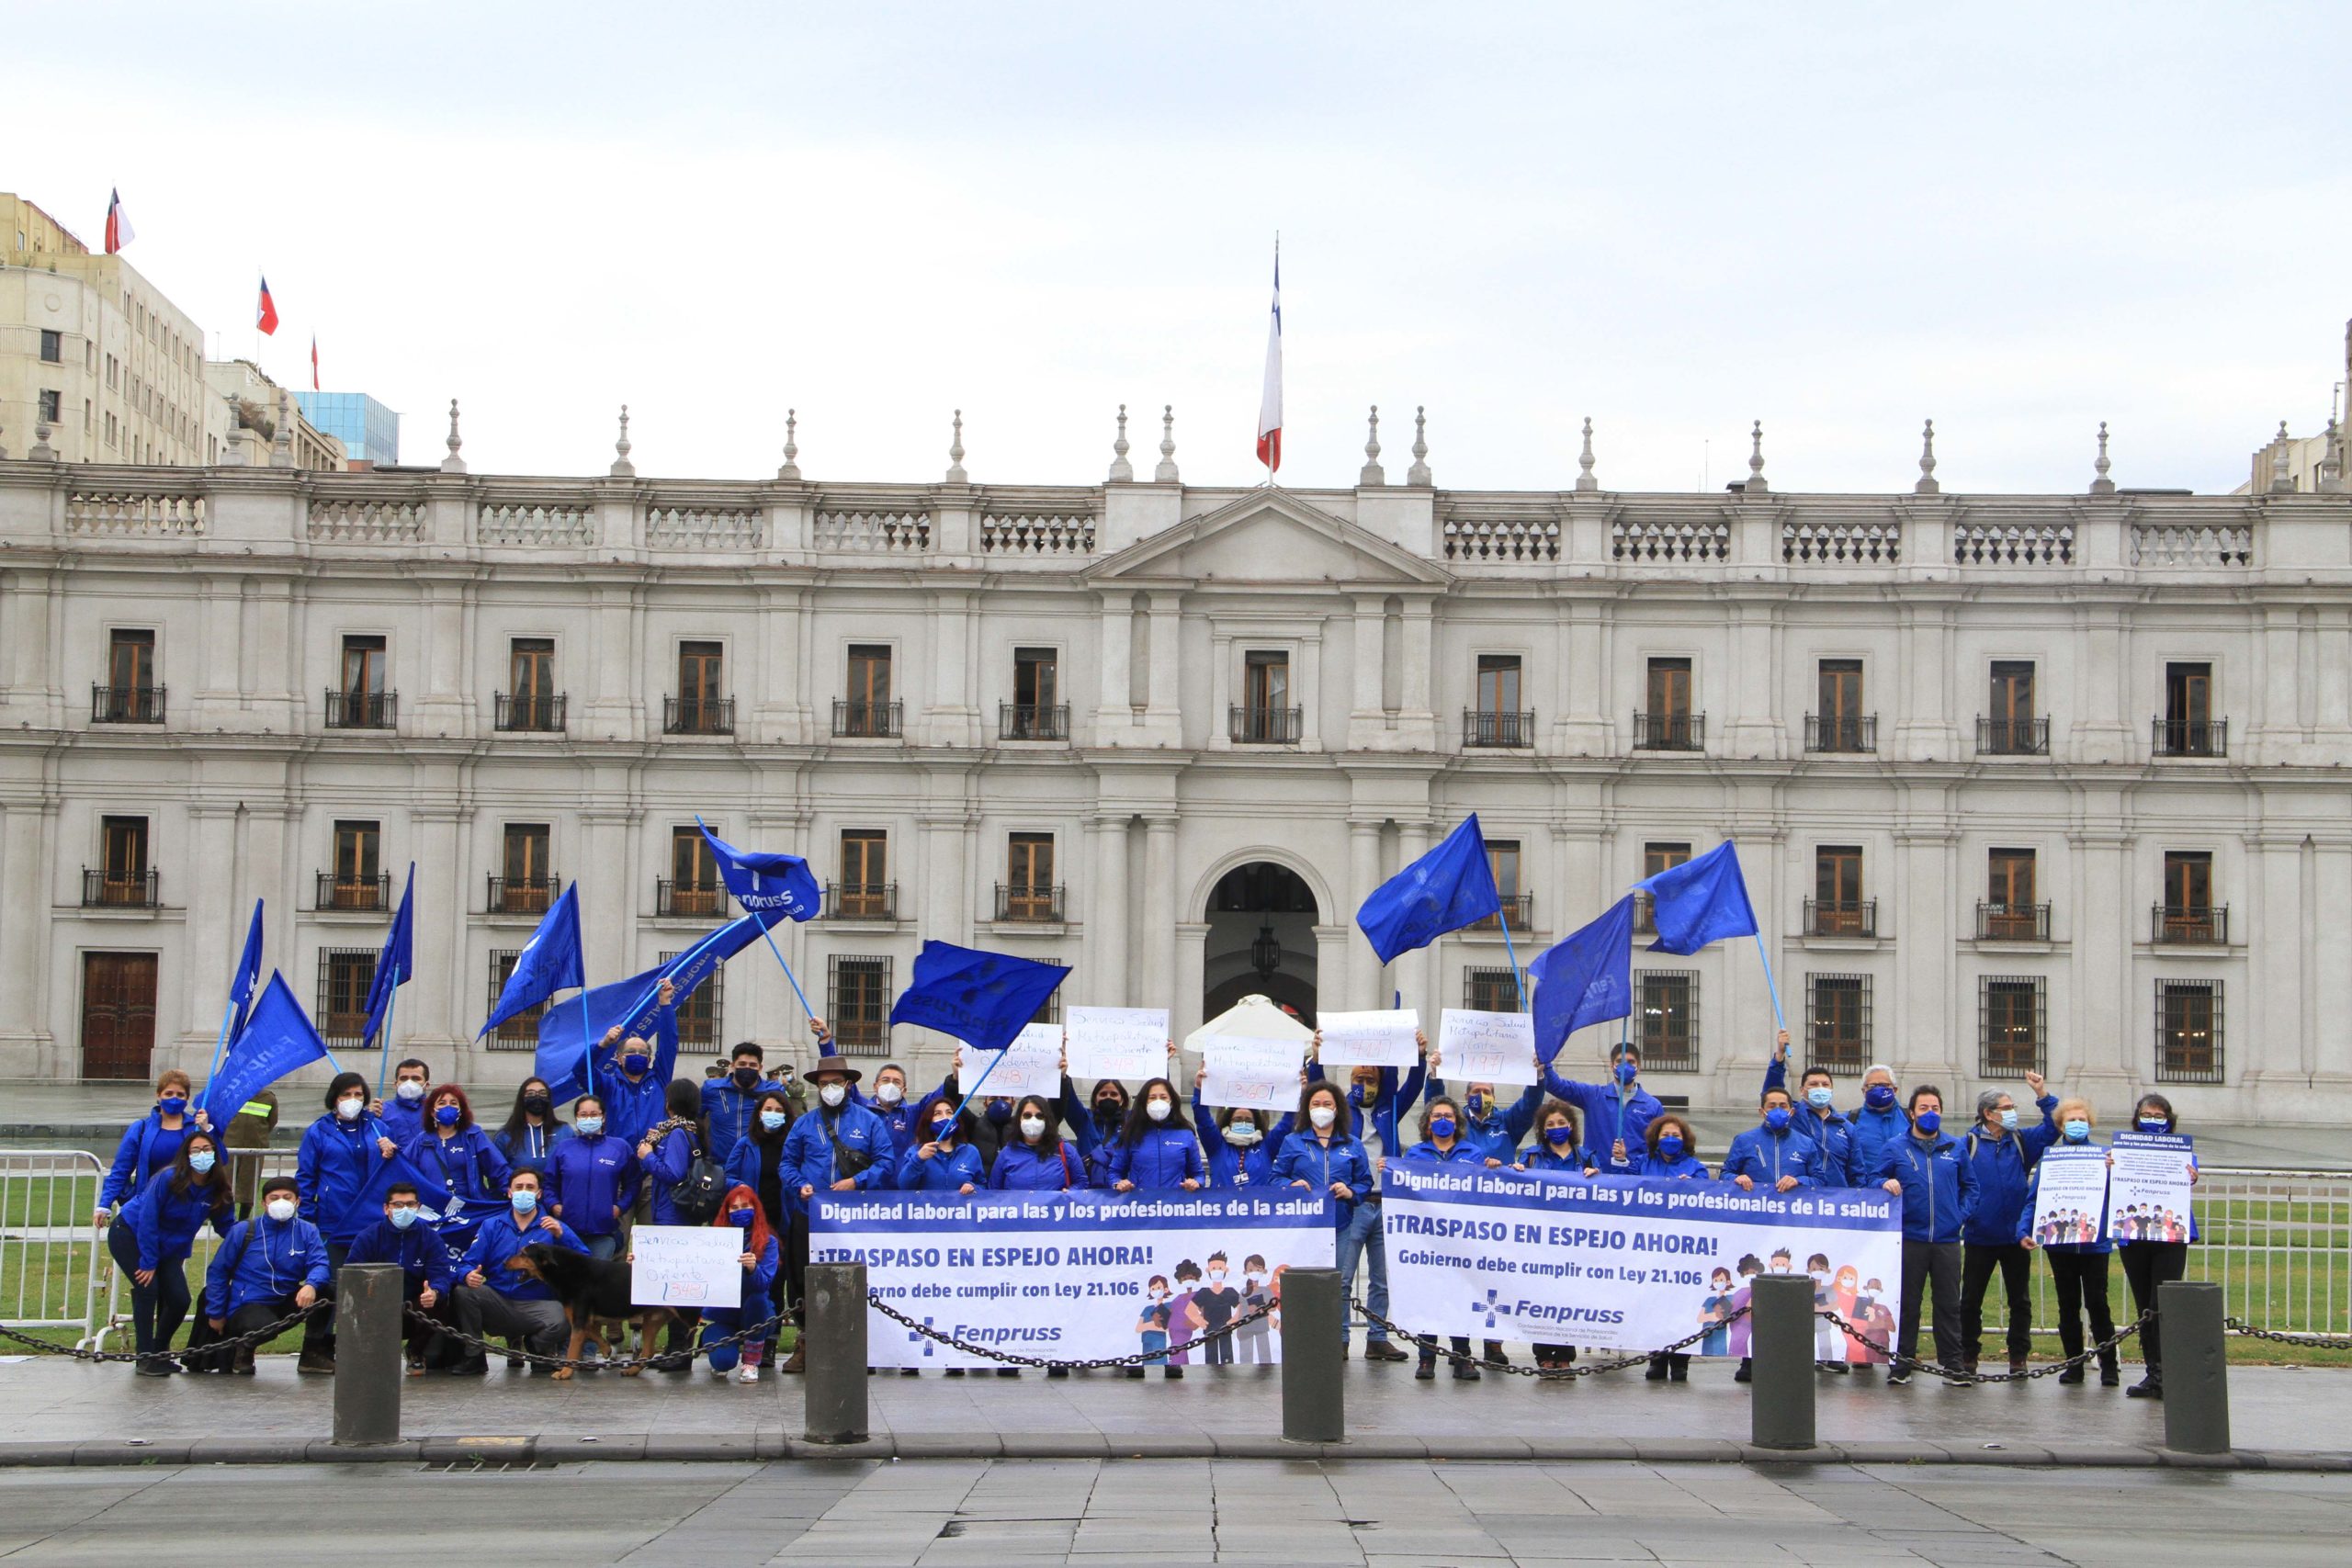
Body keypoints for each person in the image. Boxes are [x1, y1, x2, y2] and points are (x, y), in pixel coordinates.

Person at [776, 1054, 896, 1373]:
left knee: (854, 1278)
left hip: (854, 1218)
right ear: (817, 1086)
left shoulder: (869, 1121)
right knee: (802, 1279)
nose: (830, 1088)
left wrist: (856, 1181)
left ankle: (857, 1345)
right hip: (810, 1214)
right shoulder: (804, 1123)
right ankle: (805, 1342)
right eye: (824, 1083)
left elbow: (886, 1163)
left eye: (836, 1082)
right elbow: (787, 1163)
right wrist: (799, 1184)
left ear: (848, 1084)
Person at [1272, 1079, 1394, 1361]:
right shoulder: (1293, 1142)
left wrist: (1351, 1192)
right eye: (1316, 1104)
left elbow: (1364, 1181)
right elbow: (1275, 1177)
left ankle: (1339, 1339)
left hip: (1341, 1224)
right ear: (1307, 1108)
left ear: (1338, 1109)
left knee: (1339, 1282)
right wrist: (1290, 1186)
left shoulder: (1351, 1145)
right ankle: (1306, 1335)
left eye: (1327, 1104)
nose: (1322, 1109)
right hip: (1304, 1227)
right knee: (1304, 1282)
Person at [296, 1070, 401, 1367]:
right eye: (346, 1095)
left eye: (358, 1095)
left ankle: (364, 1347)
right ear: (335, 1099)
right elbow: (306, 1177)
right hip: (333, 1221)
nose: (352, 1101)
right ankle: (315, 1347)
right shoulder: (319, 1132)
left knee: (370, 1286)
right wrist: (308, 1220)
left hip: (370, 1223)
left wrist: (390, 1152)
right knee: (328, 1284)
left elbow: (394, 1171)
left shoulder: (378, 1129)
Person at [1957, 1074, 2060, 1375]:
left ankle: (2018, 1356)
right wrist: (1968, 1214)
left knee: (2020, 1300)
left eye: (2013, 1106)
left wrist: (2042, 1093)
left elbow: (2053, 1126)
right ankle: (1968, 1355)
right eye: (2006, 1107)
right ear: (1988, 1114)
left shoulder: (2021, 1140)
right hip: (1980, 1234)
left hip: (2016, 1235)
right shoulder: (1968, 1144)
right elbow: (1960, 1183)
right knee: (1971, 1300)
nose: (2012, 1111)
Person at [108, 1129, 232, 1374]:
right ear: (186, 1155)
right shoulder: (168, 1178)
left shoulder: (218, 1187)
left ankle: (159, 1351)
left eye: (207, 1150)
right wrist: (148, 1261)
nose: (202, 1155)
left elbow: (227, 1225)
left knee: (179, 1299)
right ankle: (145, 1357)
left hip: (169, 1248)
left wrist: (251, 1238)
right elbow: (148, 1219)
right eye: (195, 1150)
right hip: (131, 1234)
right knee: (148, 1288)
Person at [1877, 1086, 1976, 1386]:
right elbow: (1873, 1178)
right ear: (1912, 1113)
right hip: (1910, 1238)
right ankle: (1902, 1362)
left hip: (1946, 1239)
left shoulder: (1955, 1147)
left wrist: (1960, 1216)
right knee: (1908, 1303)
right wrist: (1885, 1183)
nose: (1930, 1114)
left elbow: (1970, 1187)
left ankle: (1952, 1364)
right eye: (1924, 1108)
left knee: (1948, 1304)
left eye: (1935, 1108)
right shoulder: (1895, 1147)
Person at [2018, 1098, 2119, 1387]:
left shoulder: (2103, 1156)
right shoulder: (2050, 1158)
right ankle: (2074, 1364)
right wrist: (2025, 1230)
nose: (2077, 1124)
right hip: (2060, 1244)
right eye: (2071, 1120)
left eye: (2082, 1119)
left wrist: (2112, 1172)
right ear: (2061, 1125)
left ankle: (2108, 1364)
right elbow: (2034, 1199)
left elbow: (2117, 1197)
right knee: (2067, 1305)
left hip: (2094, 1243)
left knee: (2099, 1304)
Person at [448, 1168, 589, 1372]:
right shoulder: (491, 1226)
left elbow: (584, 1262)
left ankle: (538, 1347)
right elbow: (467, 1263)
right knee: (464, 1293)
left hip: (539, 1302)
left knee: (564, 1318)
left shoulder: (554, 1227)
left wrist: (561, 1236)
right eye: (519, 1187)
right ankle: (474, 1355)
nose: (524, 1192)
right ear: (509, 1192)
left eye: (530, 1188)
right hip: (498, 1300)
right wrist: (467, 1275)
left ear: (539, 1194)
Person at [198, 1174, 334, 1376]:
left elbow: (320, 1263)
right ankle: (243, 1352)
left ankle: (312, 1352)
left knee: (329, 1291)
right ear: (264, 1203)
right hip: (247, 1303)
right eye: (274, 1197)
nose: (281, 1202)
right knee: (263, 1325)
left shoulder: (307, 1231)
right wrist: (216, 1313)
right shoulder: (244, 1230)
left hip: (285, 1297)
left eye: (287, 1197)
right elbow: (218, 1271)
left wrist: (311, 1285)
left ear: (297, 1201)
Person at [2116, 1093, 2199, 1399]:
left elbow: (2190, 1176)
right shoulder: (2123, 1150)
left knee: (2162, 1302)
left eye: (2158, 1115)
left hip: (2169, 1236)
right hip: (2135, 1235)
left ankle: (2168, 1371)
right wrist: (2110, 1167)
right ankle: (2154, 1372)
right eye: (2147, 1115)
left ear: (2168, 1118)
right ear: (2137, 1118)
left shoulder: (2180, 1150)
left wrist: (2191, 1175)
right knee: (2145, 1307)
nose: (2152, 1120)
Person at [1397, 1095, 1486, 1380]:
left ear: (1458, 1122)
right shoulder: (1414, 1155)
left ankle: (1462, 1356)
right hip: (1427, 1238)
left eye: (1449, 1116)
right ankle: (1426, 1358)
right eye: (1437, 1116)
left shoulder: (1472, 1153)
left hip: (1462, 1236)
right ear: (1427, 1123)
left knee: (1460, 1294)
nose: (1443, 1121)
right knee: (1429, 1295)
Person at [345, 1179, 458, 1375]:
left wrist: (435, 1291)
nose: (404, 1209)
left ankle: (416, 1350)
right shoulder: (369, 1236)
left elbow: (441, 1274)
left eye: (410, 1204)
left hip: (414, 1306)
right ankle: (373, 1352)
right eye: (398, 1205)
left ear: (418, 1207)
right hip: (377, 1304)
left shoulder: (430, 1238)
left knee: (440, 1301)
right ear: (386, 1208)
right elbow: (352, 1273)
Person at [1516, 1101, 1595, 1374]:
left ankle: (1565, 1353)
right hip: (1540, 1238)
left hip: (1575, 1239)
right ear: (1542, 1129)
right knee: (1541, 1295)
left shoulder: (1585, 1157)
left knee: (1569, 1296)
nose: (1557, 1128)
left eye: (1561, 1123)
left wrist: (1597, 1176)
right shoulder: (1532, 1156)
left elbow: (1605, 1191)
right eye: (1550, 1124)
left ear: (1571, 1125)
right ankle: (1543, 1353)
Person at [1636, 1115, 1711, 1381]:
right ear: (1656, 1138)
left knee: (1681, 1304)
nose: (1670, 1139)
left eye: (1676, 1136)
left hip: (1683, 1247)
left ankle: (1680, 1360)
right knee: (1653, 1301)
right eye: (1665, 1135)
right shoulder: (1643, 1164)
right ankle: (1656, 1357)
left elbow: (1705, 1196)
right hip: (1651, 1244)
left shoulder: (1695, 1167)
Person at [690, 1184, 781, 1383]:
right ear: (727, 1211)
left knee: (758, 1300)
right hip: (722, 1315)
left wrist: (753, 1269)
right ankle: (711, 1337)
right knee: (723, 1363)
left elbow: (764, 1284)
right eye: (735, 1207)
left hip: (756, 1313)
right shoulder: (711, 1240)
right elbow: (682, 1266)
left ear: (756, 1209)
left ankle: (751, 1361)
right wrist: (641, 1261)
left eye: (746, 1206)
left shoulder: (769, 1242)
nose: (741, 1211)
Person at [97, 1068, 210, 1227]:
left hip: (183, 1209)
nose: (174, 1099)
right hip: (146, 1207)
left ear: (187, 1098)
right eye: (169, 1093)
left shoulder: (196, 1129)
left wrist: (208, 1131)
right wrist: (104, 1204)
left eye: (180, 1095)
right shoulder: (141, 1128)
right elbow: (121, 1169)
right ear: (158, 1095)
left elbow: (219, 1162)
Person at [404, 1083, 510, 1247]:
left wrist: (513, 1192)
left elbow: (498, 1169)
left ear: (461, 1110)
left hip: (470, 1210)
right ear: (432, 1111)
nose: (448, 1106)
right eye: (442, 1103)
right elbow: (404, 1171)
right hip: (434, 1212)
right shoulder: (421, 1141)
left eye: (453, 1103)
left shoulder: (474, 1136)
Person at [544, 1092, 641, 1262]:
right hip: (568, 1231)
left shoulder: (619, 1147)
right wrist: (554, 1205)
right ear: (576, 1117)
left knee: (597, 1282)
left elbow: (633, 1183)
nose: (589, 1118)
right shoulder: (564, 1148)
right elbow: (549, 1183)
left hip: (604, 1233)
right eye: (584, 1114)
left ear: (603, 1117)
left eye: (594, 1114)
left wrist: (620, 1207)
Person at [1540, 1040, 1664, 1174]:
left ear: (1638, 1067)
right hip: (1596, 1177)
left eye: (1631, 1062)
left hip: (1634, 1181)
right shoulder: (1593, 1096)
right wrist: (1544, 1063)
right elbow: (1558, 1086)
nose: (1625, 1066)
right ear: (1612, 1066)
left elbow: (1659, 1149)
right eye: (1620, 1061)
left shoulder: (1653, 1106)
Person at [592, 978, 681, 1153]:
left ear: (649, 1060)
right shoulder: (608, 1084)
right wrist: (603, 1044)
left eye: (643, 1053)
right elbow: (581, 1070)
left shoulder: (659, 1079)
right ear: (619, 1058)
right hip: (617, 1158)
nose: (637, 1055)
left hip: (653, 1157)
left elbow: (669, 1044)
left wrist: (665, 1002)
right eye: (631, 1052)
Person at [1761, 1030, 1860, 1187]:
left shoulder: (1846, 1127)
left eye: (1825, 1084)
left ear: (1831, 1089)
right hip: (1799, 1197)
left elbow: (1857, 1172)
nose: (1820, 1088)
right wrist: (1779, 1057)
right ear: (1802, 1090)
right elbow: (1772, 1092)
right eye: (1813, 1084)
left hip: (1836, 1200)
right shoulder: (1793, 1115)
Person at [1193, 1066, 1295, 1188]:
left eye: (1248, 1120)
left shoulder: (1266, 1146)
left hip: (1260, 1205)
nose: (1243, 1123)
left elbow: (1287, 1124)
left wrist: (1297, 1093)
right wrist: (1199, 1090)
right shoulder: (1217, 1145)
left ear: (1255, 1123)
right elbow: (1203, 1119)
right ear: (1229, 1122)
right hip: (1222, 1205)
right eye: (1238, 1119)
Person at [1107, 1075, 1206, 1192]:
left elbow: (1198, 1174)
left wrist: (1196, 1183)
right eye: (1152, 1097)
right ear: (1144, 1102)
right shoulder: (1131, 1133)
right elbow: (1114, 1172)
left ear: (1171, 1101)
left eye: (1163, 1097)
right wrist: (1118, 1183)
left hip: (1176, 1206)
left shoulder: (1186, 1134)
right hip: (1140, 1205)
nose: (1158, 1101)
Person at [1723, 1086, 1826, 1194]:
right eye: (1772, 1106)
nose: (1778, 1110)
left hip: (1793, 1207)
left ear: (1791, 1112)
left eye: (1783, 1106)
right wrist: (1736, 1178)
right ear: (1762, 1112)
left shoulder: (1806, 1143)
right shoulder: (1743, 1141)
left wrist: (1798, 1181)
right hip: (1756, 1206)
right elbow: (1725, 1174)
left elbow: (1819, 1180)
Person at [703, 1040, 788, 1167]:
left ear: (760, 1068)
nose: (747, 1068)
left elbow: (787, 1126)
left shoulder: (773, 1091)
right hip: (719, 1166)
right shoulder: (712, 1088)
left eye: (752, 1065)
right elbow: (696, 1120)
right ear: (733, 1065)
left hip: (757, 1166)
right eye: (742, 1064)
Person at [986, 1093, 1090, 1190]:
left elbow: (1082, 1182)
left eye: (1039, 1116)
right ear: (1019, 1119)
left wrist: (1069, 1193)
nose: (1033, 1120)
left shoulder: (1066, 1150)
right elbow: (994, 1192)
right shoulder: (1006, 1154)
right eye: (1027, 1115)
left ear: (1047, 1120)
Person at [897, 1100, 984, 1193]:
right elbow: (904, 1186)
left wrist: (973, 1187)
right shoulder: (915, 1151)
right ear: (928, 1120)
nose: (945, 1117)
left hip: (960, 1207)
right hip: (925, 1207)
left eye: (949, 1112)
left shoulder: (970, 1151)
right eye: (937, 1114)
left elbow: (982, 1185)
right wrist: (918, 1160)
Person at [492, 1077, 573, 1176]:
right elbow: (496, 1172)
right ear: (522, 1099)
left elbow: (574, 1166)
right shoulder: (505, 1136)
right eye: (531, 1094)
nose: (537, 1097)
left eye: (542, 1093)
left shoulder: (565, 1131)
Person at [1846, 1062, 1912, 1179]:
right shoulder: (1850, 1120)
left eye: (1884, 1085)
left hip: (1904, 1191)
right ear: (1863, 1091)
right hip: (1866, 1193)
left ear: (1895, 1089)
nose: (1878, 1089)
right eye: (1872, 1086)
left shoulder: (1910, 1118)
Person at [223, 1089, 279, 1218]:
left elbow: (272, 1121)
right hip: (230, 1146)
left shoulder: (269, 1098)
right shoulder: (231, 1094)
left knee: (249, 1185)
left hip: (255, 1147)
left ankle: (244, 1218)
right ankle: (225, 1218)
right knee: (225, 1183)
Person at [1184, 1249, 1246, 1367]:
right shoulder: (1204, 1293)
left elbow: (1242, 1307)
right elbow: (1189, 1310)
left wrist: (1233, 1321)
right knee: (1211, 1361)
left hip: (1226, 1330)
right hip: (1210, 1331)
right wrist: (1201, 1322)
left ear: (1225, 1270)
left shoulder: (1230, 1292)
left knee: (1227, 1359)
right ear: (1208, 1270)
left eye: (1219, 1268)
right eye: (1213, 1269)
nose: (1216, 1271)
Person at [373, 1058, 434, 1147]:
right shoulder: (381, 1110)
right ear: (396, 1084)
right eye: (404, 1078)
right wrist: (368, 1117)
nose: (409, 1082)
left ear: (427, 1085)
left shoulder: (434, 1110)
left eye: (416, 1078)